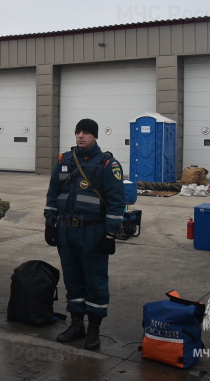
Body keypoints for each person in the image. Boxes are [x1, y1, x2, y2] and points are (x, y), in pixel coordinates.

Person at [44, 118, 125, 350]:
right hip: (66, 229)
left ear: (95, 136)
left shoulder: (108, 164)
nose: (81, 136)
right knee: (72, 278)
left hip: (93, 231)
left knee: (95, 279)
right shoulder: (64, 160)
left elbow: (116, 201)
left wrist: (110, 233)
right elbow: (53, 192)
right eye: (78, 132)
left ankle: (93, 330)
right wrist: (50, 223)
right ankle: (76, 324)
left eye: (86, 133)